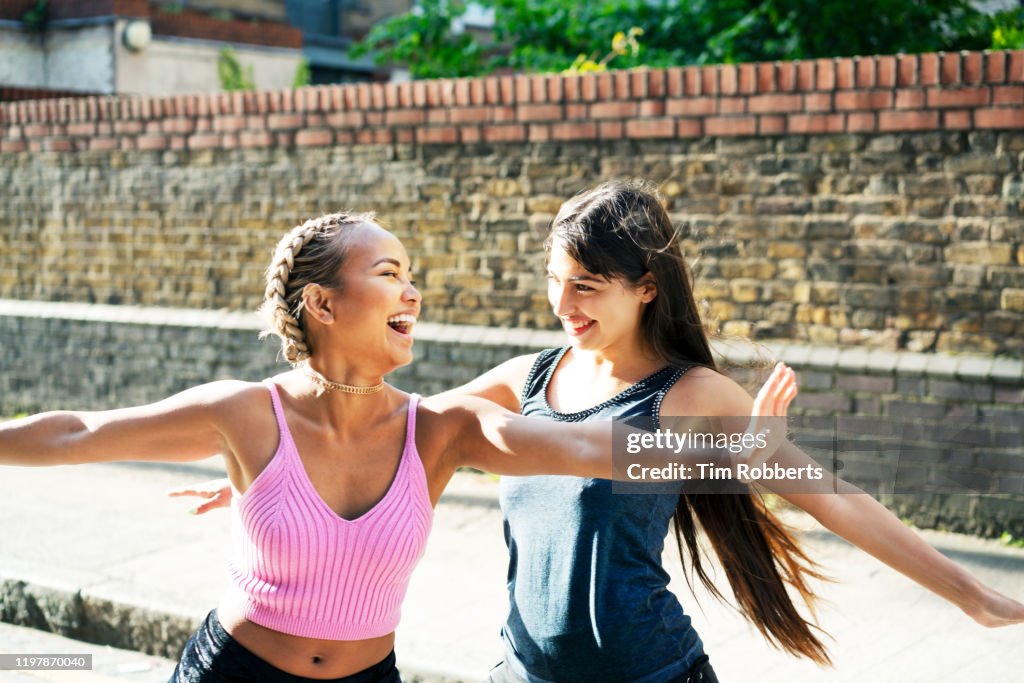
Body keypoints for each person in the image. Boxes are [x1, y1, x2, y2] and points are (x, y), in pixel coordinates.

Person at [178, 181, 1024, 683]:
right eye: (556, 282)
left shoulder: (692, 395)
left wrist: (970, 591)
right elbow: (395, 432)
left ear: (646, 287)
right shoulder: (530, 376)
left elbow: (837, 500)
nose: (565, 305)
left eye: (588, 286)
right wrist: (280, 472)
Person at [0, 209, 794, 683]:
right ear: (321, 301)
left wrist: (734, 455)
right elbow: (78, 430)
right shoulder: (246, 416)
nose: (412, 289)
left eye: (412, 273)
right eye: (388, 272)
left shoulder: (440, 429)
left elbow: (596, 452)